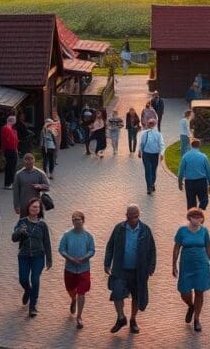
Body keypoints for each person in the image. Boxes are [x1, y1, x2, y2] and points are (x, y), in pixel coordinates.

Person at [104, 205, 157, 335]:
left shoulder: (145, 230)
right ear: (126, 215)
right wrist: (107, 263)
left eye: (135, 216)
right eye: (130, 216)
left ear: (139, 215)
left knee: (136, 296)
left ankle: (133, 320)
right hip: (120, 269)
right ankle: (121, 317)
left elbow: (152, 250)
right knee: (116, 292)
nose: (133, 219)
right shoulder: (119, 229)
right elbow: (110, 246)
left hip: (138, 271)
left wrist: (151, 267)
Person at [172, 207, 210, 332]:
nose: (197, 219)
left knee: (199, 292)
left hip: (201, 265)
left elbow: (208, 247)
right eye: (195, 217)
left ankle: (197, 318)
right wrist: (173, 264)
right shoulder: (182, 231)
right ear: (189, 218)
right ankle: (191, 306)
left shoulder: (204, 231)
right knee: (184, 291)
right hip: (186, 265)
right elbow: (176, 247)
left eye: (199, 217)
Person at [12, 198, 53, 317]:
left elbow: (47, 242)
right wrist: (20, 231)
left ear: (40, 210)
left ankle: (33, 306)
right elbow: (14, 238)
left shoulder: (42, 225)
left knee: (35, 279)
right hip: (24, 255)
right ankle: (28, 291)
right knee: (23, 279)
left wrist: (49, 259)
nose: (35, 209)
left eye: (37, 207)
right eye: (33, 207)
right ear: (28, 208)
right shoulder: (22, 222)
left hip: (38, 256)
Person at [59, 210, 95, 330]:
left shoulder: (88, 236)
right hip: (70, 268)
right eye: (74, 219)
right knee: (70, 289)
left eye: (78, 219)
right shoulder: (67, 235)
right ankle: (73, 299)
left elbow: (92, 250)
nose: (76, 221)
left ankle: (79, 316)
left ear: (83, 220)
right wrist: (69, 258)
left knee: (81, 292)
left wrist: (84, 258)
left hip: (84, 269)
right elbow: (61, 249)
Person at [178, 139, 210, 210]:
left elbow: (181, 171)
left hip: (189, 183)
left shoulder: (185, 156)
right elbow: (209, 171)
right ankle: (199, 211)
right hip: (201, 182)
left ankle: (192, 217)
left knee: (191, 203)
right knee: (204, 200)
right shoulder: (204, 157)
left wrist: (180, 183)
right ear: (199, 146)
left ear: (191, 145)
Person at [13, 153, 50, 217]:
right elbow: (15, 192)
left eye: (31, 159)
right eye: (27, 159)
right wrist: (16, 206)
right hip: (24, 206)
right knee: (24, 224)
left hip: (36, 206)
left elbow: (47, 187)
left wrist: (40, 186)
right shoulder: (19, 175)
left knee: (37, 223)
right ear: (23, 161)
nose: (29, 161)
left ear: (34, 161)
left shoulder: (40, 173)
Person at [138, 119, 165, 194]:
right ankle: (149, 187)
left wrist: (162, 154)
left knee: (153, 171)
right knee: (148, 171)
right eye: (150, 123)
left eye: (152, 123)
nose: (151, 124)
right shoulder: (144, 133)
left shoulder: (158, 134)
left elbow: (161, 144)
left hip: (155, 155)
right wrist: (140, 151)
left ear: (155, 124)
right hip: (146, 154)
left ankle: (152, 184)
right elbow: (142, 143)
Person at [1, 115, 19, 189]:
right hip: (10, 150)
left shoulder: (10, 129)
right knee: (10, 166)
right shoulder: (6, 128)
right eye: (14, 120)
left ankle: (10, 182)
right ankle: (8, 183)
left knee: (12, 166)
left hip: (11, 149)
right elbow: (9, 141)